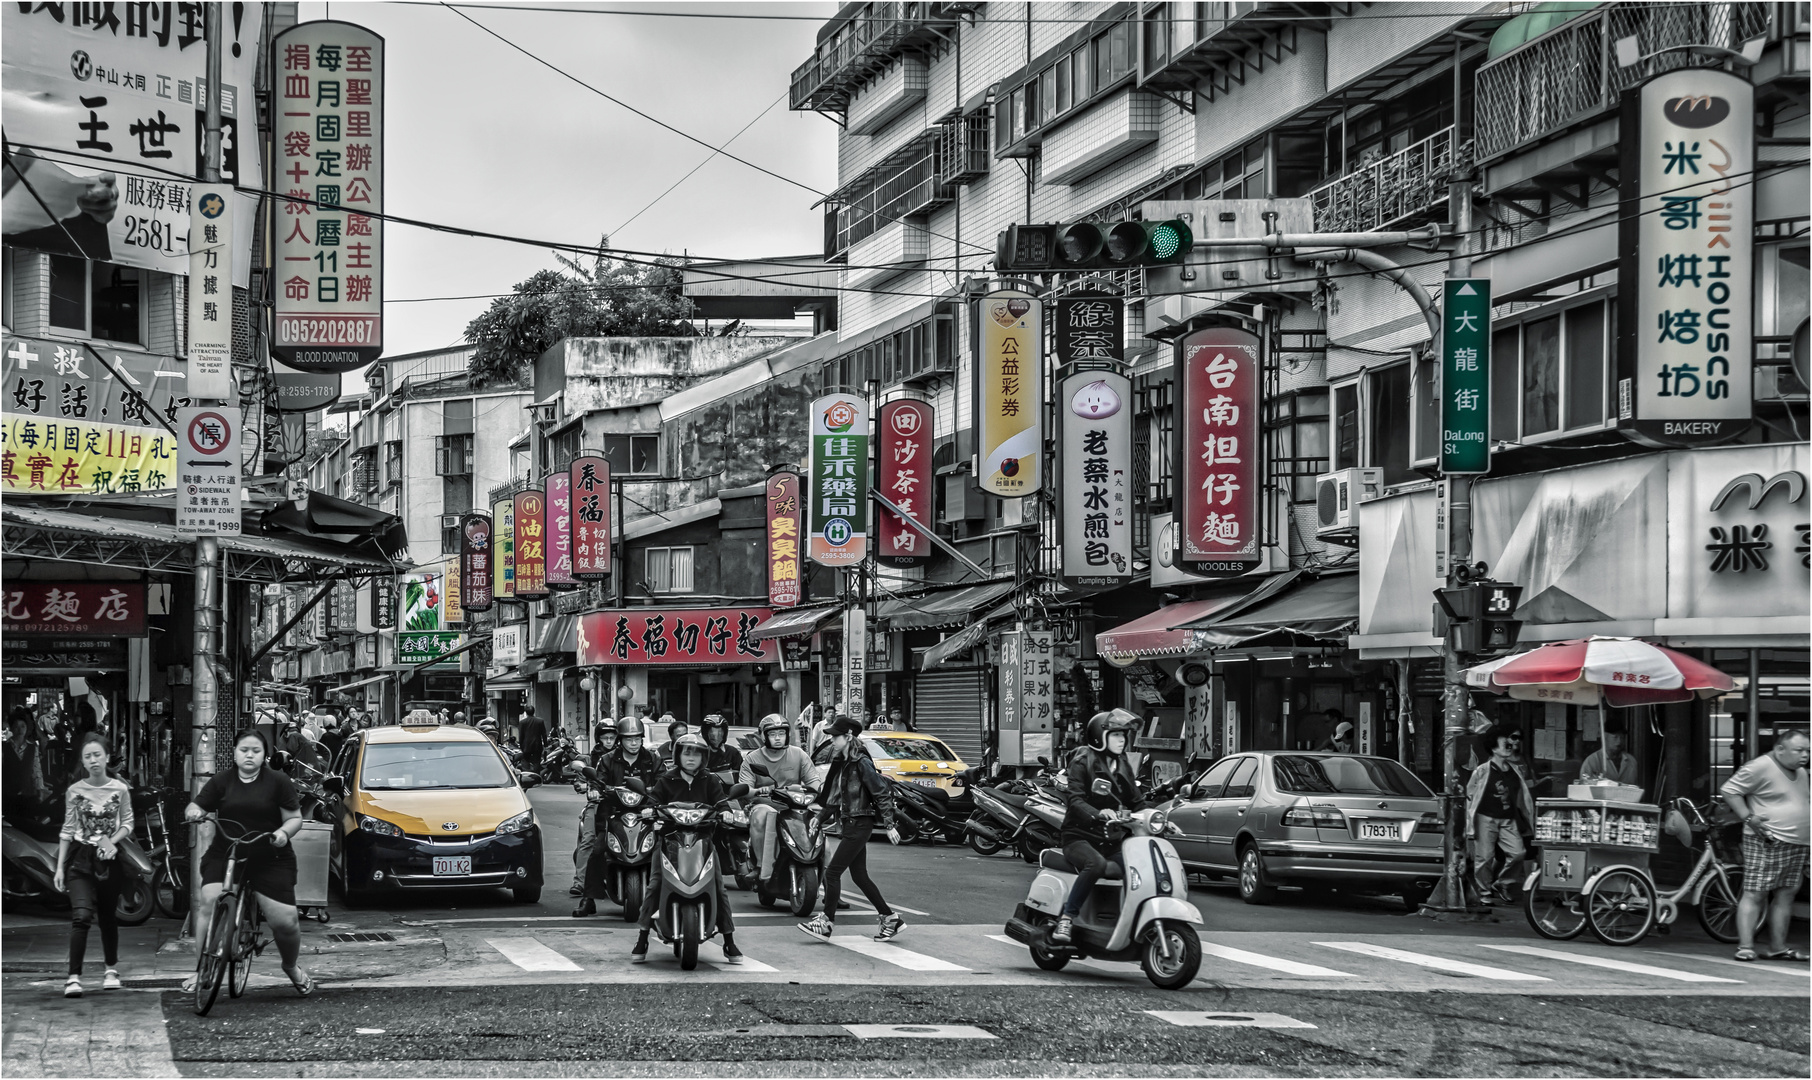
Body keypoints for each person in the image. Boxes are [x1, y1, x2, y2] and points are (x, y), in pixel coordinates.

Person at [183, 730, 313, 997]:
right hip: (228, 852)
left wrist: (283, 833)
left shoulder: (278, 781)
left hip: (270, 856)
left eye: (256, 750)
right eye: (244, 750)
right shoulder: (222, 781)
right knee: (209, 900)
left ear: (265, 754)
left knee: (285, 922)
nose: (250, 755)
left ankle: (290, 966)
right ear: (234, 752)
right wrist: (195, 812)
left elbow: (294, 818)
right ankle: (201, 970)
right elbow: (197, 805)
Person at [631, 733, 742, 964]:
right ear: (678, 755)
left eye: (697, 753)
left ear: (704, 757)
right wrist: (648, 811)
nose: (691, 757)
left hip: (703, 842)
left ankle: (729, 941)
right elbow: (652, 802)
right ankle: (642, 938)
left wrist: (726, 812)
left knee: (719, 887)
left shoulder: (709, 780)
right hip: (669, 841)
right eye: (687, 752)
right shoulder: (666, 780)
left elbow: (721, 802)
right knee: (654, 884)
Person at [798, 716, 905, 943]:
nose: (832, 740)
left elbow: (881, 794)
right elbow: (836, 797)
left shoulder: (861, 763)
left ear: (848, 737)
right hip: (851, 824)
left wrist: (889, 824)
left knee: (832, 872)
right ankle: (890, 918)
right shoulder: (844, 763)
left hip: (859, 824)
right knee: (859, 876)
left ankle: (826, 922)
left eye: (836, 736)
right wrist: (821, 816)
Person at [1051, 710, 1145, 946]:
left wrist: (1160, 817)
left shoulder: (1122, 762)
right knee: (1096, 864)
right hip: (1079, 838)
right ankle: (1067, 917)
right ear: (1099, 737)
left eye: (1123, 735)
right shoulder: (1083, 761)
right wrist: (1097, 813)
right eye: (1115, 735)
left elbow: (1136, 800)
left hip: (1110, 840)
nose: (1122, 739)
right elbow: (1075, 799)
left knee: (1140, 867)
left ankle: (1132, 921)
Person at [1720, 729, 1810, 962]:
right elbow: (1730, 790)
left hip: (1797, 841)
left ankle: (1777, 947)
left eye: (1808, 751)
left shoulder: (1801, 772)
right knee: (1756, 892)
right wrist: (1748, 817)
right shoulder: (1760, 766)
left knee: (1786, 894)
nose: (1805, 755)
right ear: (1780, 749)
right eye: (1799, 750)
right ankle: (1745, 946)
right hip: (1767, 839)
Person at [52, 734, 132, 997]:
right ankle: (73, 977)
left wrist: (112, 841)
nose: (93, 760)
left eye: (97, 754)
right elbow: (68, 829)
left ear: (107, 757)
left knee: (108, 916)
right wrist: (60, 868)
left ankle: (111, 969)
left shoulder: (120, 789)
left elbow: (128, 823)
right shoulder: (74, 791)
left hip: (109, 857)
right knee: (82, 916)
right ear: (83, 762)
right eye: (88, 756)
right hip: (81, 858)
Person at [575, 716, 662, 917]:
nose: (633, 743)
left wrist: (658, 796)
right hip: (613, 814)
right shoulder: (607, 760)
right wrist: (594, 790)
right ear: (620, 740)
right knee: (597, 850)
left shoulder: (652, 759)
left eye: (637, 739)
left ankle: (666, 896)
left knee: (664, 847)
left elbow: (663, 781)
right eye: (629, 739)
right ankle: (588, 899)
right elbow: (597, 781)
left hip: (646, 814)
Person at [739, 714, 816, 885]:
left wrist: (818, 790)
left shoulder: (799, 755)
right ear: (763, 736)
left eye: (781, 733)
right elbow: (745, 788)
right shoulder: (752, 759)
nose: (778, 738)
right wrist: (758, 790)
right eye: (773, 734)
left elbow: (813, 781)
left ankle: (830, 881)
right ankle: (759, 866)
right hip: (764, 805)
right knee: (761, 817)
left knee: (817, 830)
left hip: (794, 806)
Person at [1465, 724, 1534, 906]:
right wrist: (1469, 824)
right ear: (1493, 747)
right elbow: (1470, 797)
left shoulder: (1515, 771)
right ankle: (1484, 892)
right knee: (1484, 858)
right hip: (1485, 818)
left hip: (1508, 819)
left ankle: (1502, 883)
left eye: (1510, 742)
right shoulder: (1481, 771)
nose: (1510, 745)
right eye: (1505, 742)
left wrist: (1529, 819)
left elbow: (1523, 798)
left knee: (1519, 853)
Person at [571, 718, 617, 896]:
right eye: (605, 738)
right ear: (599, 738)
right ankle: (580, 882)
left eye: (612, 738)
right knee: (589, 838)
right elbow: (580, 777)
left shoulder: (623, 757)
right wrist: (585, 786)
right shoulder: (590, 758)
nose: (609, 741)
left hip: (621, 804)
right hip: (597, 803)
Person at [4, 708, 47, 823]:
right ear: (12, 728)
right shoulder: (4, 748)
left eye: (23, 726)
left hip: (28, 795)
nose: (20, 729)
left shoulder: (33, 748)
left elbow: (37, 771)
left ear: (27, 727)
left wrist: (40, 790)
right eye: (16, 726)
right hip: (8, 796)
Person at [1579, 720, 1640, 786]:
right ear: (1605, 737)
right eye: (1615, 737)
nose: (1619, 742)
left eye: (1622, 737)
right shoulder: (1592, 762)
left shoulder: (1631, 761)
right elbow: (1584, 788)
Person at [699, 714, 743, 778]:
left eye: (720, 732)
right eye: (712, 732)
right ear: (706, 733)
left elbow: (741, 776)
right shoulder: (699, 752)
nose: (716, 736)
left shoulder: (732, 752)